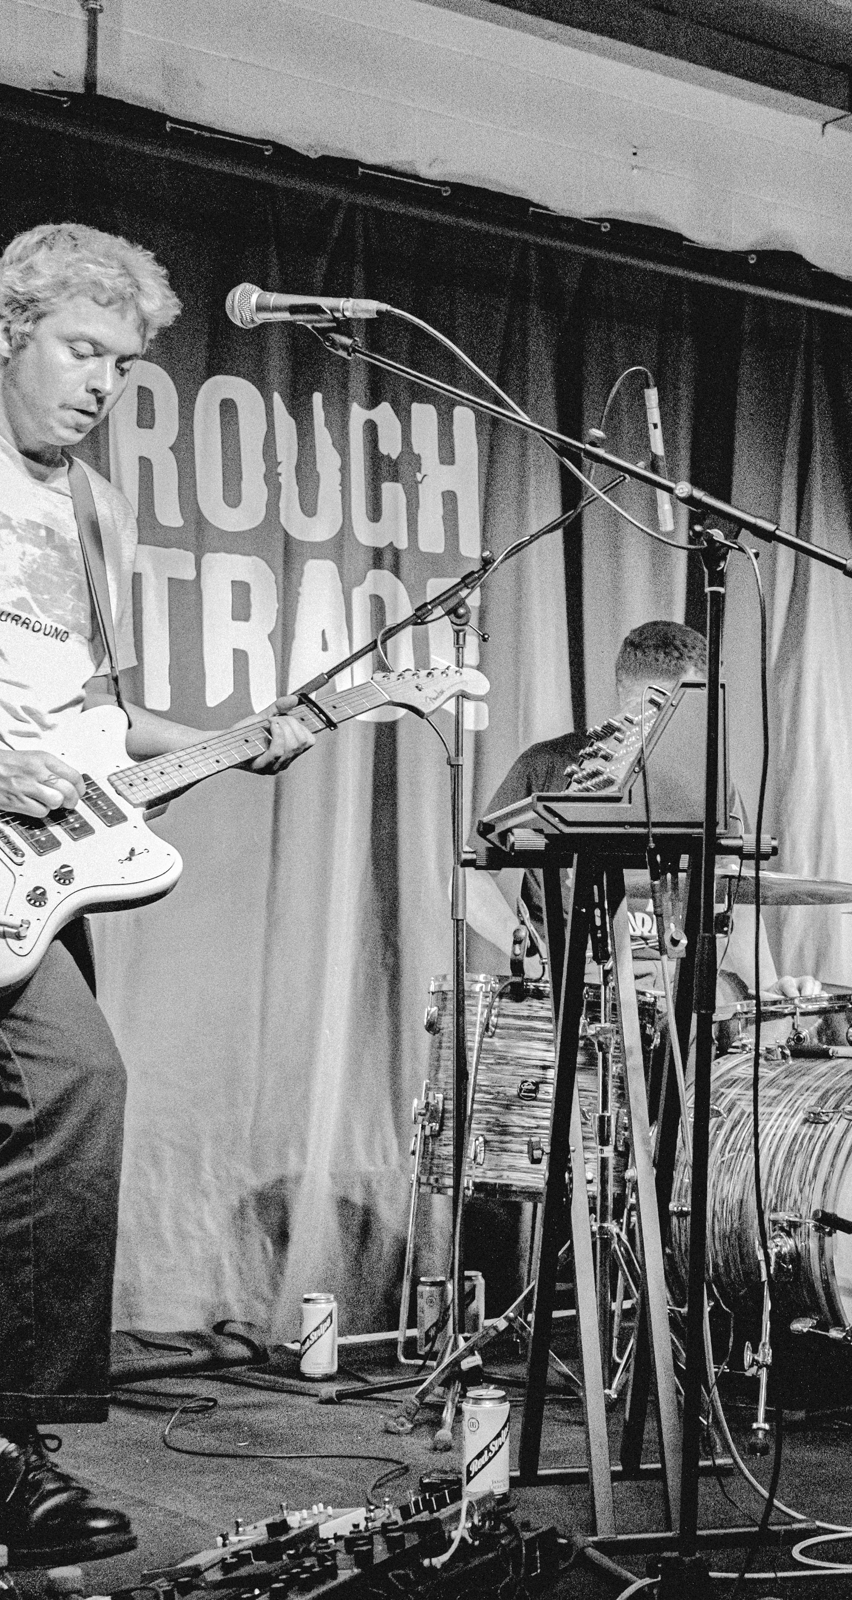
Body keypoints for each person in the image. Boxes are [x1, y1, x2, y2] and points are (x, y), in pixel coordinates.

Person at [0, 224, 313, 1566]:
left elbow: (101, 724)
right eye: (80, 350)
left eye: (123, 367)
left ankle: (17, 1450)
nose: (100, 384)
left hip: (22, 876)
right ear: (10, 327)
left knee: (76, 1091)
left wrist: (243, 732)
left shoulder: (95, 513)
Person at [469, 619, 818, 1003]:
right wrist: (527, 953)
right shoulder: (549, 765)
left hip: (679, 991)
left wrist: (766, 986)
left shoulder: (712, 788)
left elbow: (731, 898)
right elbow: (467, 879)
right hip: (579, 991)